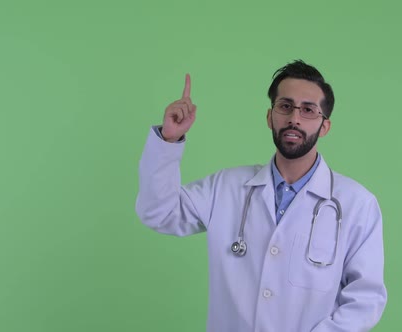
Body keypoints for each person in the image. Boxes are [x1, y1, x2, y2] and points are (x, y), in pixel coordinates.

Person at [135, 60, 387, 332]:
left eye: (308, 110)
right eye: (285, 106)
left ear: (324, 126)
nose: (294, 118)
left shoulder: (356, 204)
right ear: (270, 116)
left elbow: (366, 298)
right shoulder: (226, 187)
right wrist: (169, 140)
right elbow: (159, 213)